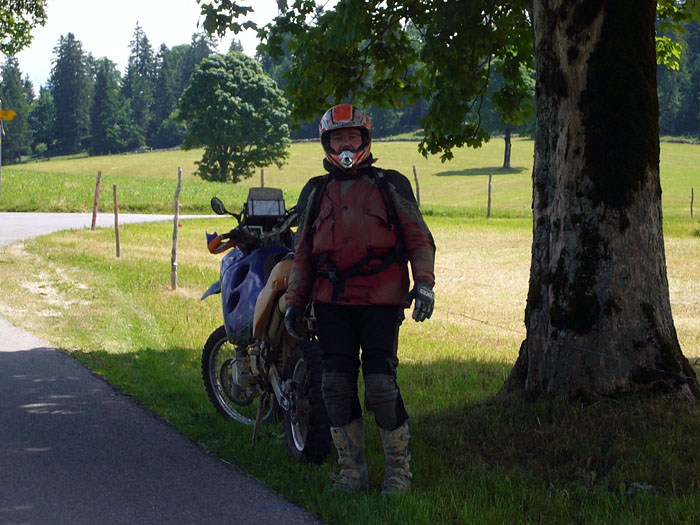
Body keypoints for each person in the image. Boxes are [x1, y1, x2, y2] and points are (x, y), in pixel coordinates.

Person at [284, 104, 435, 496]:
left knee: (381, 384)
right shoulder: (316, 191)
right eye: (338, 138)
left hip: (381, 299)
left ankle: (398, 474)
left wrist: (425, 283)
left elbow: (419, 238)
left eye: (351, 137)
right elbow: (302, 253)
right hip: (332, 301)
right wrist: (295, 300)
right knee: (334, 383)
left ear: (365, 140)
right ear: (327, 142)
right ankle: (352, 472)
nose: (345, 144)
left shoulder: (391, 184)